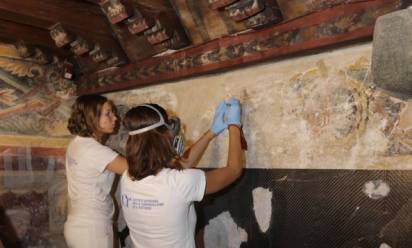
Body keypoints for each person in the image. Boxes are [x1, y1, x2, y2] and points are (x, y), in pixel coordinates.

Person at [120, 98, 244, 248]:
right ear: (163, 137)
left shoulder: (127, 177)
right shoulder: (180, 182)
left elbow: (178, 168)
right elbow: (234, 169)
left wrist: (210, 133)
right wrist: (234, 126)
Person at [64, 94, 128, 248]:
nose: (115, 118)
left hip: (77, 225)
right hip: (92, 229)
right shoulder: (95, 151)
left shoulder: (77, 143)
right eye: (108, 113)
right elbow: (137, 170)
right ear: (92, 117)